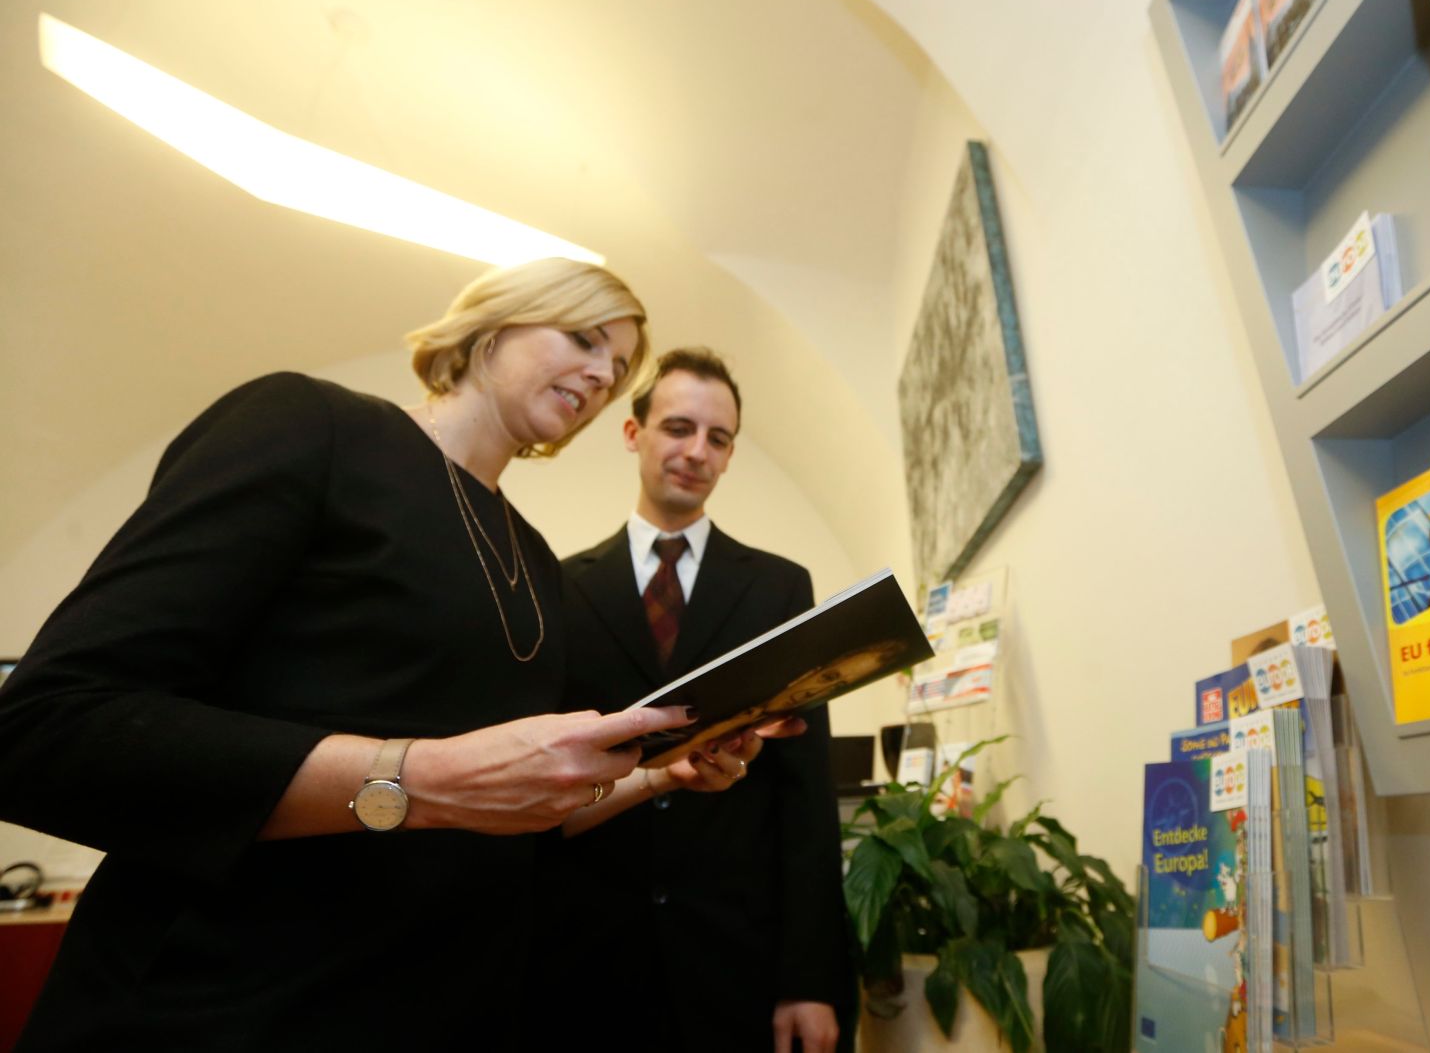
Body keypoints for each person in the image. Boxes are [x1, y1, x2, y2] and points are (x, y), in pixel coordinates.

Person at [0, 259, 791, 1051]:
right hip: (228, 1002)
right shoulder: (311, 426)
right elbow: (48, 727)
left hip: (436, 1010)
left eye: (616, 368)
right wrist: (419, 781)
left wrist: (660, 770)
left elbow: (514, 807)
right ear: (495, 323)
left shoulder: (539, 563)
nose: (600, 373)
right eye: (584, 338)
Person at [540, 348, 852, 1053]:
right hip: (587, 960)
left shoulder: (780, 589)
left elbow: (805, 797)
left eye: (718, 438)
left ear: (731, 454)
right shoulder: (558, 588)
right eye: (678, 427)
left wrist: (809, 977)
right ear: (633, 433)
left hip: (736, 958)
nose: (696, 451)